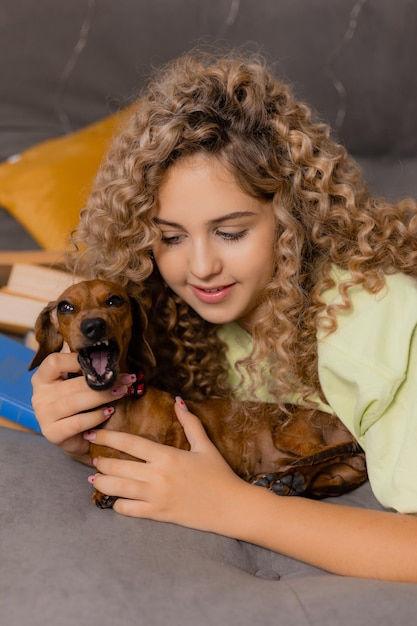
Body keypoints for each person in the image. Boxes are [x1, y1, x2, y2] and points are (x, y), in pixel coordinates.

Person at [32, 51, 417, 582]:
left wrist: (231, 506)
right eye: (170, 237)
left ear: (292, 218)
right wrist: (88, 434)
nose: (201, 267)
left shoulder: (383, 328)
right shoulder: (172, 312)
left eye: (231, 232)